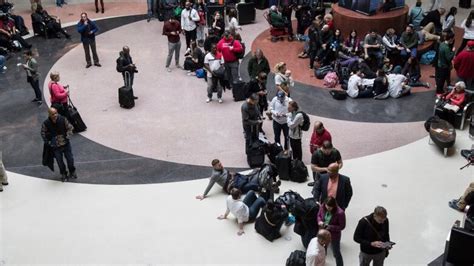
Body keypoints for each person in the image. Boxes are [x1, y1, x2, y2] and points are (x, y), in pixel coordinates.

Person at [41, 108, 77, 182]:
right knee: (59, 161)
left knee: (70, 159)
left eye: (56, 113)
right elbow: (43, 133)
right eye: (53, 114)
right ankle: (63, 173)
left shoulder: (63, 119)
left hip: (66, 144)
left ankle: (72, 171)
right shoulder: (46, 123)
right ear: (49, 114)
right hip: (56, 147)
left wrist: (68, 135)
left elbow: (70, 128)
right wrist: (48, 142)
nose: (55, 115)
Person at [317, 197, 346, 266]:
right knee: (323, 250)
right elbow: (319, 215)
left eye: (330, 207)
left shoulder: (340, 213)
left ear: (334, 206)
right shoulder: (323, 206)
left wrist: (330, 227)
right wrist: (319, 221)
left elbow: (342, 226)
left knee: (336, 252)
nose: (328, 208)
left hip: (334, 235)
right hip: (323, 233)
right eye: (327, 206)